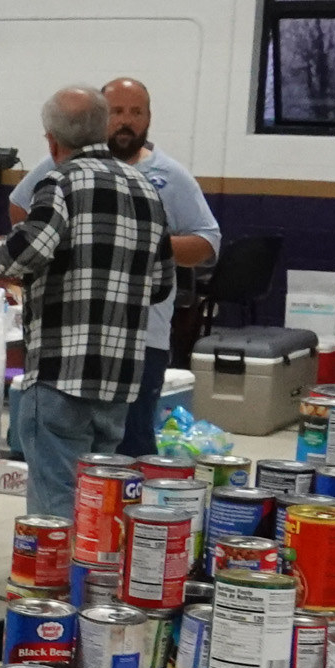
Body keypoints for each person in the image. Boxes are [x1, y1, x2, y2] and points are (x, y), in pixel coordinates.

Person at [0, 84, 172, 520]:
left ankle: (53, 586)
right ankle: (91, 582)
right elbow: (162, 282)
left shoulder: (60, 183)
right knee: (99, 505)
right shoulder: (146, 191)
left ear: (52, 141)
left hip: (60, 374)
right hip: (118, 380)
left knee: (56, 504)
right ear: (103, 130)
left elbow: (27, 250)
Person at [100, 76, 222, 454]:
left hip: (143, 336)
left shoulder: (169, 176)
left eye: (136, 112)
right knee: (85, 444)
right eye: (116, 111)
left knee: (133, 441)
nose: (126, 120)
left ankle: (136, 513)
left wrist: (151, 245)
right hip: (82, 335)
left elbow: (208, 242)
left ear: (149, 119)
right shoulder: (75, 166)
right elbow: (21, 205)